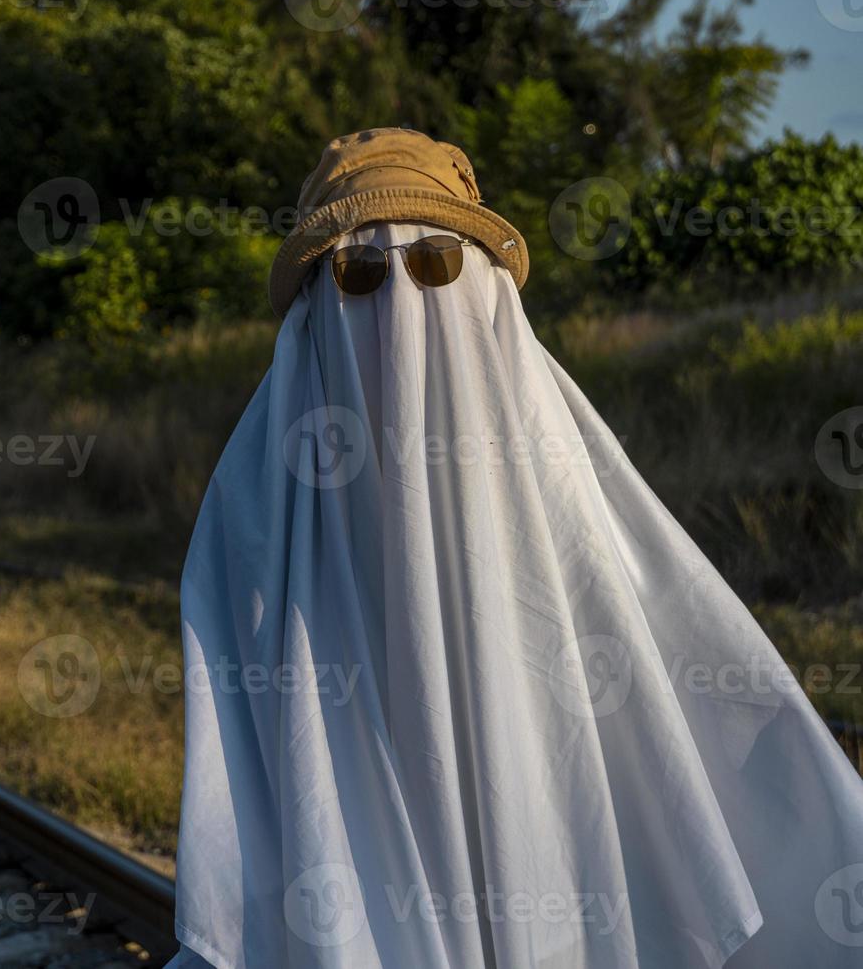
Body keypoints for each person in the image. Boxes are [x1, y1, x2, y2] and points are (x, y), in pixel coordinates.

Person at [164, 128, 863, 968]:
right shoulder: (254, 503)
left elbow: (674, 638)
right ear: (317, 306)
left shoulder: (568, 472)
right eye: (362, 274)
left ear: (488, 291)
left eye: (436, 267)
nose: (402, 315)